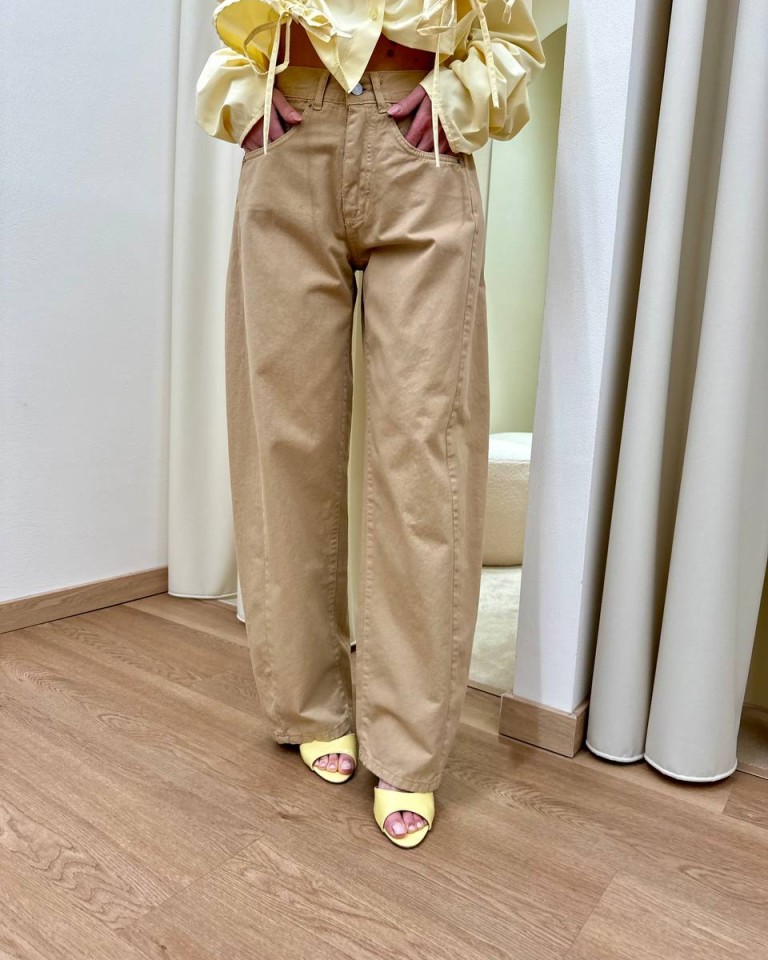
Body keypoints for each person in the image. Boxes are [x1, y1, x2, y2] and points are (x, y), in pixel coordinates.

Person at [195, 0, 545, 848]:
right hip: (291, 123)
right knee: (286, 441)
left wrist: (457, 100)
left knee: (425, 448)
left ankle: (409, 744)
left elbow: (511, 35)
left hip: (416, 131)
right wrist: (245, 100)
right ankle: (309, 702)